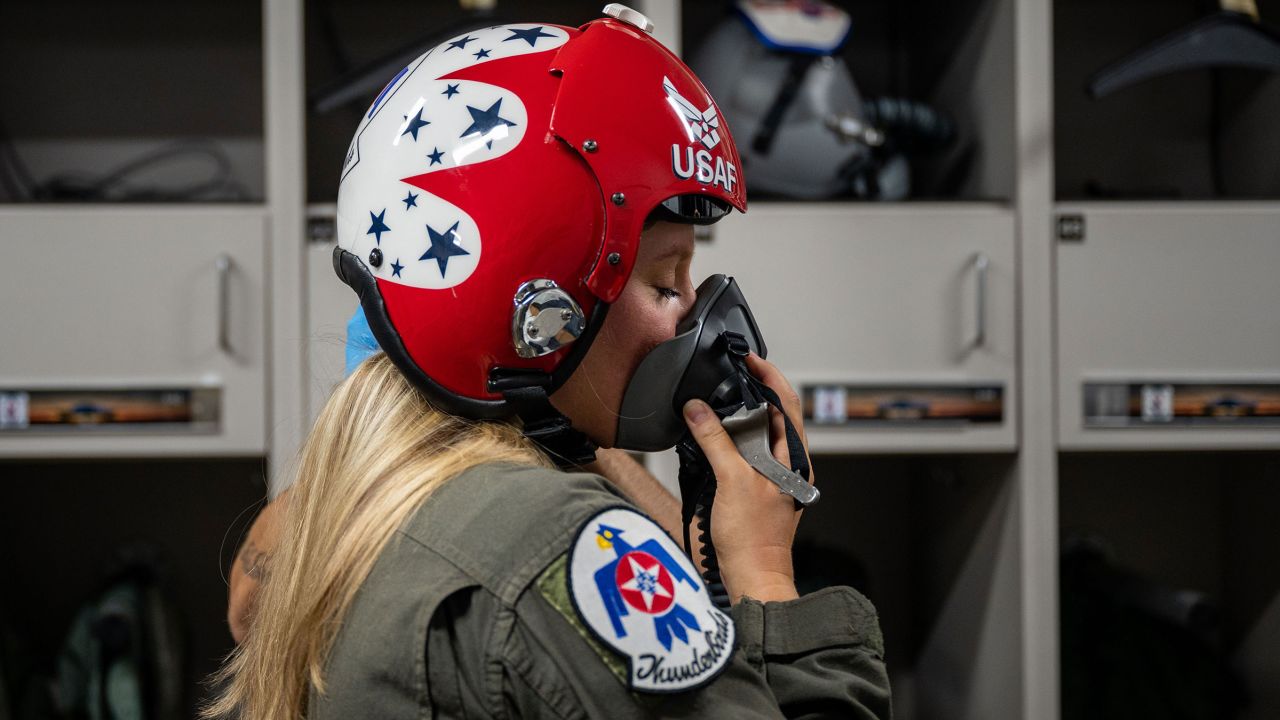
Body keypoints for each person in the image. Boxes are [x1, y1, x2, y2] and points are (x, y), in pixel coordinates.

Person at [208, 7, 891, 719]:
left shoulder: (368, 504)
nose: (695, 311)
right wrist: (765, 572)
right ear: (538, 311)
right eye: (665, 281)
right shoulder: (562, 548)